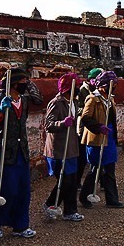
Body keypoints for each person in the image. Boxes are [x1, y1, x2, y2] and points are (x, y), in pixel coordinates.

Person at [0, 67, 44, 238]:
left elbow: (39, 99)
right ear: (12, 84)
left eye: (27, 82)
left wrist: (30, 83)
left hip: (21, 150)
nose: (25, 85)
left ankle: (20, 225)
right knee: (4, 189)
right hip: (3, 150)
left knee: (23, 189)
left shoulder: (24, 101)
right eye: (22, 82)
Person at [79, 70, 124, 209]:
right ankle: (84, 197)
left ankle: (112, 199)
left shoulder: (110, 99)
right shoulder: (93, 99)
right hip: (96, 137)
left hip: (109, 137)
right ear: (104, 85)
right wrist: (99, 127)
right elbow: (85, 118)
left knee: (109, 169)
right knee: (95, 169)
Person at [43, 73, 85, 222]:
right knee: (64, 180)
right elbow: (48, 125)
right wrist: (61, 123)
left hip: (71, 147)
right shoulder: (56, 103)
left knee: (72, 180)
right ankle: (50, 204)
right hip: (59, 149)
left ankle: (70, 210)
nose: (79, 88)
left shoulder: (74, 102)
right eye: (77, 86)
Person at [76, 67, 102, 188]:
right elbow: (77, 108)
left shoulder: (98, 90)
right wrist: (89, 108)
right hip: (83, 127)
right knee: (82, 157)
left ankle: (100, 181)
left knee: (99, 155)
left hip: (96, 125)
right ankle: (78, 182)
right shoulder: (82, 90)